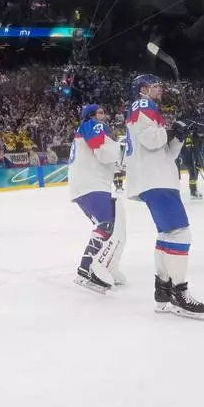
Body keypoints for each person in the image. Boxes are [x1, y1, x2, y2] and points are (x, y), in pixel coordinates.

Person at [124, 74, 204, 319]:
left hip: (157, 177)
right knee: (181, 232)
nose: (161, 88)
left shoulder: (148, 110)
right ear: (143, 89)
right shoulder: (143, 105)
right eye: (157, 85)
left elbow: (165, 152)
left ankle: (163, 293)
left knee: (166, 235)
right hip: (156, 179)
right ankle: (179, 293)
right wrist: (174, 127)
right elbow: (152, 140)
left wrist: (179, 135)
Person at [69, 104, 126, 293]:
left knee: (111, 225)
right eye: (101, 112)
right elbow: (103, 152)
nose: (104, 115)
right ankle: (86, 268)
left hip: (90, 184)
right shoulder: (92, 124)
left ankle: (106, 265)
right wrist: (121, 151)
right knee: (106, 224)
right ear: (91, 115)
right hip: (91, 185)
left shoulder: (85, 128)